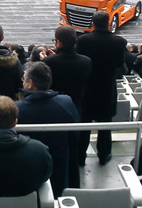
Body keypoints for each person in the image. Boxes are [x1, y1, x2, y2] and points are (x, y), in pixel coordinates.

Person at [16, 62, 80, 198]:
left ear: (30, 83)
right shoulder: (66, 102)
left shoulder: (18, 108)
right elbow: (75, 134)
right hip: (60, 167)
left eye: (24, 80)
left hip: (27, 169)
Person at [43, 25, 91, 187]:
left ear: (58, 42)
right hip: (77, 110)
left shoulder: (49, 62)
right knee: (72, 153)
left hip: (53, 112)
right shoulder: (86, 62)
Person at [76, 11, 126, 166]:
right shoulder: (119, 42)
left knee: (84, 125)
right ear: (109, 22)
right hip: (107, 88)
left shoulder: (83, 40)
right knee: (105, 126)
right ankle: (104, 155)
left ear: (93, 23)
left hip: (87, 89)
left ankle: (80, 157)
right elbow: (120, 66)